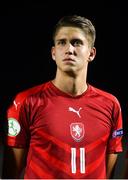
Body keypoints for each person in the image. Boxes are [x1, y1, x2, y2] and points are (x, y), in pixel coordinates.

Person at [2, 15, 123, 179]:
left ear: (91, 53)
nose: (69, 49)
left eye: (77, 42)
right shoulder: (25, 102)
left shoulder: (111, 104)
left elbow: (108, 173)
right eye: (62, 42)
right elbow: (11, 174)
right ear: (53, 53)